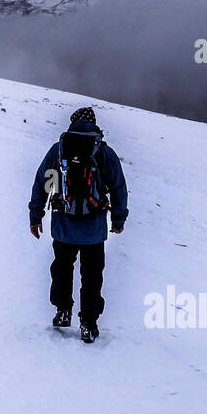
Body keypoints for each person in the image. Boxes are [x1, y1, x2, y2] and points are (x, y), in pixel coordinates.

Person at [27, 107, 128, 343]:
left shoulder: (59, 150)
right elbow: (118, 187)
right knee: (92, 276)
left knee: (62, 269)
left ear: (72, 122)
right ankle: (88, 324)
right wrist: (119, 219)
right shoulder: (104, 152)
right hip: (94, 229)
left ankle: (63, 311)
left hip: (63, 226)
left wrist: (36, 214)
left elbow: (44, 181)